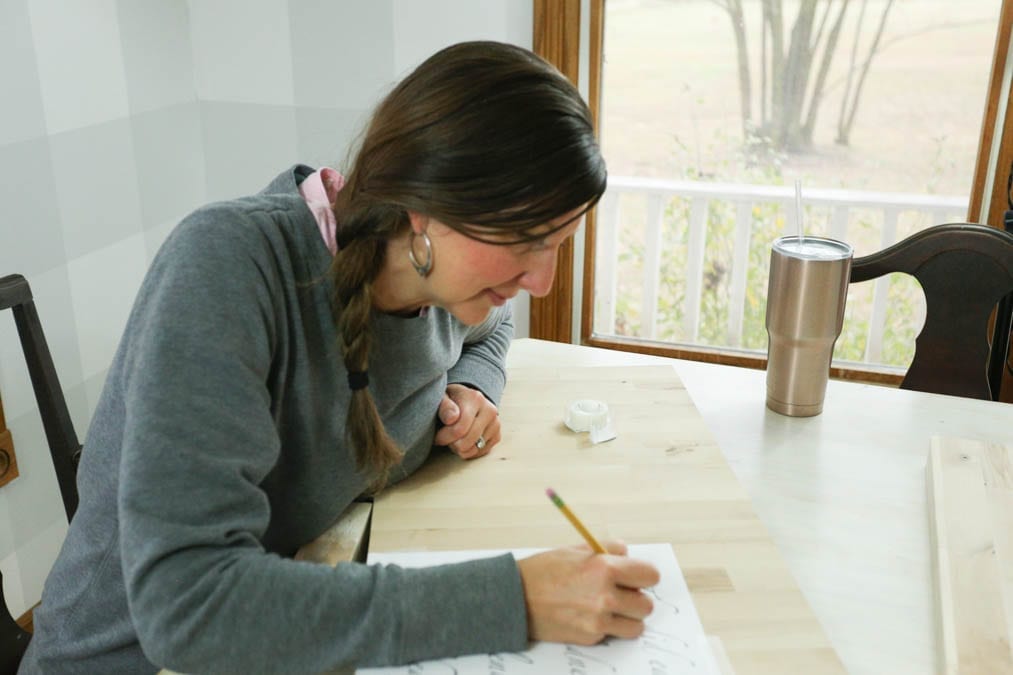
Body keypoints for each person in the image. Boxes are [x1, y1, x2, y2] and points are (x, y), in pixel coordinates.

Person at [19, 41, 660, 674]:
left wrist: (473, 387)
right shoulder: (226, 269)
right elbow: (189, 606)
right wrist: (514, 599)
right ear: (425, 204)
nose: (543, 281)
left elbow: (494, 330)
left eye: (560, 245)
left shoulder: (440, 284)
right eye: (528, 239)